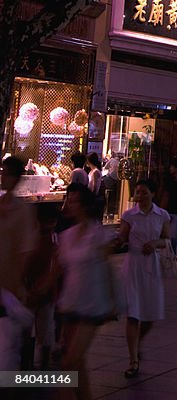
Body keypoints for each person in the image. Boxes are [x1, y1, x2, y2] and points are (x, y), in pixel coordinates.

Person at [55, 183, 115, 400]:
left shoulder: (97, 234)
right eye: (69, 200)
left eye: (75, 201)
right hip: (70, 302)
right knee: (76, 363)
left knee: (68, 363)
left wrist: (112, 299)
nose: (71, 205)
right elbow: (59, 269)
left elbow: (108, 267)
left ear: (86, 205)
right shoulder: (67, 236)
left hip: (92, 305)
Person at [115, 178, 171, 379]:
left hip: (152, 266)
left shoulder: (162, 215)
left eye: (144, 192)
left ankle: (138, 342)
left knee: (150, 314)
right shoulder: (129, 215)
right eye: (137, 192)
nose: (139, 196)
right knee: (133, 313)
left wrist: (155, 243)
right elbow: (122, 236)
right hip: (133, 265)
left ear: (152, 194)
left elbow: (167, 240)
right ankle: (133, 360)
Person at [0, 155, 38, 370]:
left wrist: (16, 285)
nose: (3, 178)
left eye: (6, 174)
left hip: (10, 289)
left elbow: (26, 252)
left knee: (7, 357)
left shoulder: (22, 211)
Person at [25, 202, 60, 371]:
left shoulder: (49, 239)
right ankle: (38, 366)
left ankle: (33, 366)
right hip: (36, 290)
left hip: (40, 291)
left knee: (41, 329)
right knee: (41, 330)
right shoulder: (49, 239)